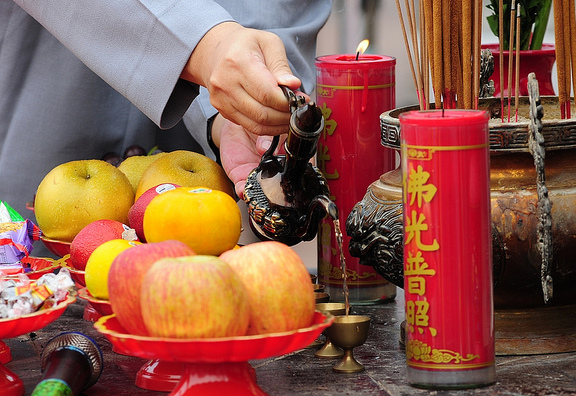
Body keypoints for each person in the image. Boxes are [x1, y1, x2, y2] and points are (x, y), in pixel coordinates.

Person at [1, 1, 332, 256]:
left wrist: (245, 104)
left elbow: (273, 11)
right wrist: (207, 45)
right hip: (49, 95)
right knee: (34, 290)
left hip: (201, 175)